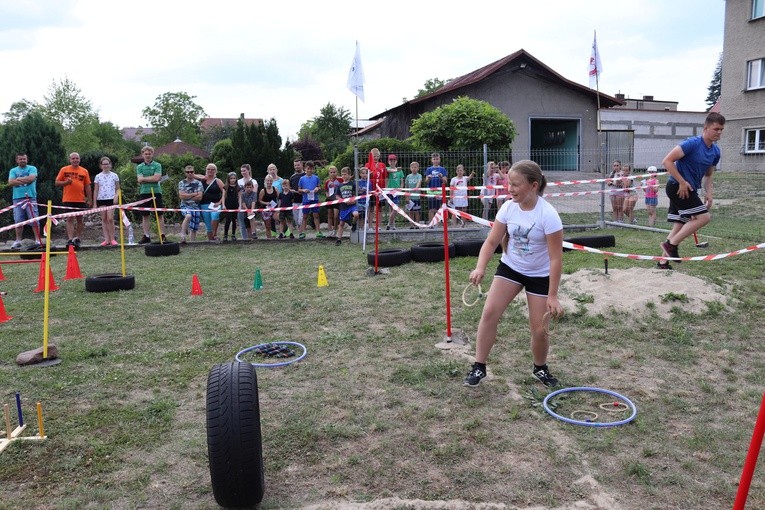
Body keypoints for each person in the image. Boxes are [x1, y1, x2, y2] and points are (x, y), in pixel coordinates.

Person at [464, 160, 564, 388]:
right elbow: (491, 242)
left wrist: (553, 295)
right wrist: (480, 267)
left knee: (539, 329)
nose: (510, 188)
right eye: (509, 183)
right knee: (489, 312)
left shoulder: (548, 215)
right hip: (511, 268)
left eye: (516, 184)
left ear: (534, 186)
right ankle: (479, 366)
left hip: (540, 275)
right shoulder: (508, 207)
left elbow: (556, 258)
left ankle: (540, 368)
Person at [659, 112, 725, 267]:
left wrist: (709, 193)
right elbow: (667, 161)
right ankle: (671, 245)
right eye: (716, 129)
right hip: (677, 187)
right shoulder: (692, 143)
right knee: (704, 217)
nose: (719, 132)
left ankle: (663, 262)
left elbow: (708, 175)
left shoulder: (715, 152)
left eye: (722, 129)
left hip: (691, 189)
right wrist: (682, 181)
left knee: (680, 224)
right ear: (706, 128)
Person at [55, 152, 93, 247]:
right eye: (73, 158)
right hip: (68, 199)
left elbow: (88, 186)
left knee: (80, 219)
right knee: (70, 219)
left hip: (80, 199)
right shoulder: (64, 169)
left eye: (77, 158)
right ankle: (70, 239)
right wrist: (66, 183)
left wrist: (90, 199)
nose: (75, 160)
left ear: (79, 159)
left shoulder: (84, 171)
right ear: (70, 160)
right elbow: (57, 183)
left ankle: (78, 238)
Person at [7, 152, 40, 249]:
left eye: (24, 159)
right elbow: (11, 182)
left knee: (34, 218)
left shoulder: (32, 168)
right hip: (17, 198)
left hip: (30, 197)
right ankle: (18, 240)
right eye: (20, 159)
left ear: (27, 159)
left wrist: (18, 179)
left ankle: (37, 239)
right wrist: (24, 179)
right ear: (17, 160)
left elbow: (31, 178)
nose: (22, 160)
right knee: (18, 220)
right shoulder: (13, 170)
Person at [134, 146, 166, 244]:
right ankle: (146, 235)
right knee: (145, 215)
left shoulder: (157, 165)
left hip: (156, 191)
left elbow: (157, 178)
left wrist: (145, 179)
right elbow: (139, 179)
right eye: (146, 154)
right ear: (143, 154)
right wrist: (150, 178)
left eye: (149, 154)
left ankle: (162, 235)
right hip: (144, 192)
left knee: (159, 214)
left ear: (152, 154)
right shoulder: (139, 167)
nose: (148, 155)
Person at [93, 156, 121, 246]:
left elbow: (118, 189)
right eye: (104, 164)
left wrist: (116, 197)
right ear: (101, 165)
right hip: (101, 199)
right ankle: (106, 239)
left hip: (111, 199)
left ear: (110, 165)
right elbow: (96, 190)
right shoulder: (98, 176)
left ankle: (112, 238)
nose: (106, 166)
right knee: (104, 219)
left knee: (110, 218)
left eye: (107, 164)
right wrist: (94, 203)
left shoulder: (114, 175)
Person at [199, 163, 225, 242]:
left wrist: (220, 202)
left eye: (212, 169)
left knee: (215, 215)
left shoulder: (217, 181)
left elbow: (224, 191)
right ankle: (211, 240)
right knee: (207, 224)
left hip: (215, 204)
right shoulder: (202, 180)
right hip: (204, 204)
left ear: (215, 171)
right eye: (208, 169)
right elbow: (193, 175)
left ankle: (214, 234)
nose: (210, 171)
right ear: (206, 170)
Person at [298, 161, 323, 239]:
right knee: (305, 216)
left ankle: (318, 231)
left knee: (316, 215)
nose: (309, 170)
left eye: (311, 169)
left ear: (313, 169)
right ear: (305, 169)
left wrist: (317, 188)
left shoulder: (316, 178)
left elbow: (319, 187)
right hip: (306, 200)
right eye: (308, 168)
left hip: (314, 199)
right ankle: (303, 232)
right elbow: (299, 190)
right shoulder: (302, 179)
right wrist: (303, 190)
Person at [178, 165, 203, 243]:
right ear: (185, 173)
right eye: (188, 172)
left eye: (191, 172)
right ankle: (182, 234)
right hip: (185, 205)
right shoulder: (182, 183)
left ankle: (192, 242)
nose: (190, 173)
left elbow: (199, 197)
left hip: (195, 206)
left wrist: (187, 196)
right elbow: (181, 196)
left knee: (194, 228)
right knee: (188, 215)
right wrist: (194, 194)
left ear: (194, 172)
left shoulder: (198, 183)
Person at [335, 167, 359, 246]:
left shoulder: (353, 184)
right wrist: (343, 200)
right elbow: (337, 196)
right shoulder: (340, 185)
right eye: (342, 174)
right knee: (341, 223)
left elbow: (356, 194)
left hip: (352, 205)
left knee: (356, 214)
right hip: (343, 207)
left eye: (345, 174)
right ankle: (339, 239)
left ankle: (354, 223)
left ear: (349, 175)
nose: (344, 176)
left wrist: (353, 200)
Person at [365, 148, 387, 227]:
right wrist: (372, 171)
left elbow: (385, 177)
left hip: (380, 190)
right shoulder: (367, 165)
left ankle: (379, 226)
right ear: (371, 156)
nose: (376, 158)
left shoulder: (382, 165)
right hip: (371, 190)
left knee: (380, 208)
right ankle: (370, 225)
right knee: (371, 208)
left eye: (377, 156)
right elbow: (367, 176)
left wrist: (385, 188)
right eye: (374, 156)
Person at [425, 152, 448, 224]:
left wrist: (441, 177)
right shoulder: (429, 169)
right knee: (431, 209)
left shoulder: (442, 169)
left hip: (440, 191)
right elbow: (426, 181)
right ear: (431, 160)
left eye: (437, 159)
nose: (436, 160)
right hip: (431, 191)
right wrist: (428, 178)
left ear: (439, 159)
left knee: (440, 208)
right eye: (434, 159)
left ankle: (440, 223)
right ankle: (431, 224)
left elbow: (445, 181)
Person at [237, 164, 258, 240]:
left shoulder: (254, 181)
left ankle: (253, 236)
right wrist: (240, 206)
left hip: (251, 205)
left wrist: (250, 209)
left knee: (251, 220)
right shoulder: (239, 181)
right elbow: (239, 195)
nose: (243, 172)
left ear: (248, 170)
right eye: (241, 171)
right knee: (243, 224)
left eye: (244, 170)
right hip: (241, 205)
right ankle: (245, 239)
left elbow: (254, 195)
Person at [385, 154, 404, 230]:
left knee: (395, 208)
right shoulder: (387, 168)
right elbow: (387, 171)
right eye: (391, 160)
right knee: (391, 208)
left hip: (397, 191)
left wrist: (401, 188)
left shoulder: (400, 171)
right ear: (388, 161)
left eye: (394, 160)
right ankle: (393, 225)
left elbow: (402, 181)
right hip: (389, 191)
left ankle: (389, 223)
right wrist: (396, 170)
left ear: (396, 161)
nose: (392, 162)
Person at [259, 174, 279, 240]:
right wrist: (266, 203)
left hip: (274, 209)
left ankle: (278, 235)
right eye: (268, 180)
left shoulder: (275, 189)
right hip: (265, 210)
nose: (269, 182)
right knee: (268, 226)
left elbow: (279, 198)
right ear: (265, 181)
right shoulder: (263, 191)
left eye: (270, 181)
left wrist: (278, 207)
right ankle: (269, 239)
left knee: (279, 220)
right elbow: (259, 200)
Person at [222, 172, 240, 242]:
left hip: (235, 205)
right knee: (228, 220)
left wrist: (239, 206)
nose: (232, 180)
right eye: (231, 178)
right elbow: (223, 196)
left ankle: (233, 235)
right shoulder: (225, 187)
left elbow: (239, 197)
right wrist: (223, 205)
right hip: (228, 205)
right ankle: (225, 235)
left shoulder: (238, 187)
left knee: (234, 220)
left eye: (234, 178)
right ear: (228, 179)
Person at [323, 165, 341, 237]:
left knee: (336, 215)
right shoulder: (327, 182)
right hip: (329, 199)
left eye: (334, 172)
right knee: (329, 215)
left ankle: (335, 230)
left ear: (336, 172)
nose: (333, 173)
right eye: (331, 172)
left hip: (336, 200)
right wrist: (327, 194)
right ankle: (330, 230)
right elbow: (326, 190)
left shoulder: (340, 180)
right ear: (329, 173)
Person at [404, 161, 422, 227]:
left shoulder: (419, 175)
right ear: (410, 168)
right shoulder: (408, 176)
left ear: (418, 168)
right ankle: (411, 225)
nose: (414, 168)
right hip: (410, 197)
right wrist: (406, 196)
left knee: (417, 211)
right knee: (410, 212)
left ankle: (417, 224)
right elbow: (406, 186)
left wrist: (416, 188)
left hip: (417, 197)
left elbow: (419, 182)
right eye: (412, 167)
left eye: (415, 167)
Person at [289, 159, 305, 231]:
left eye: (298, 165)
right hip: (294, 201)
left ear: (301, 165)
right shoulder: (292, 177)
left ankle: (302, 232)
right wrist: (294, 191)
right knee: (296, 219)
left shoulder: (305, 175)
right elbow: (289, 188)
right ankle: (300, 233)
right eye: (295, 165)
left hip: (303, 200)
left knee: (300, 219)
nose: (297, 167)